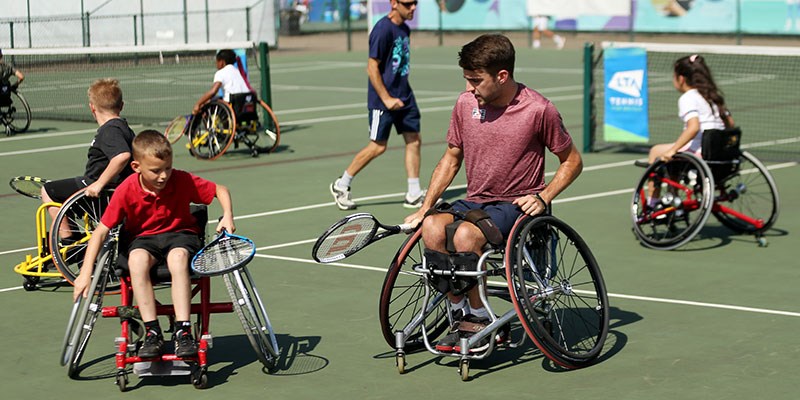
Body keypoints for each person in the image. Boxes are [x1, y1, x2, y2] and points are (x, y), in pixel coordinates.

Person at [404, 33, 583, 353]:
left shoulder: (539, 109)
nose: (469, 87)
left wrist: (543, 196)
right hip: (476, 200)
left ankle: (480, 317)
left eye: (476, 80)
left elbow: (572, 161)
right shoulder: (464, 104)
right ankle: (460, 310)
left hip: (517, 203)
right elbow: (451, 157)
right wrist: (425, 207)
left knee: (465, 237)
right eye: (467, 79)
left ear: (502, 76)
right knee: (431, 228)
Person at [73, 130, 235, 358]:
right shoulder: (127, 190)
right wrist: (85, 273)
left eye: (167, 168)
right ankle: (152, 331)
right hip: (143, 239)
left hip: (180, 234)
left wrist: (228, 215)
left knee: (177, 259)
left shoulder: (181, 179)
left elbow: (221, 190)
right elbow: (100, 232)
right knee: (136, 260)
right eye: (156, 171)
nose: (163, 176)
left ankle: (183, 330)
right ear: (136, 167)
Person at [329, 0, 426, 210]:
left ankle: (414, 192)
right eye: (408, 4)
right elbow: (372, 68)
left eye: (415, 3)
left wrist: (400, 96)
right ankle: (342, 184)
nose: (413, 8)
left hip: (404, 96)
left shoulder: (404, 29)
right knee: (378, 147)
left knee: (414, 140)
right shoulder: (382, 29)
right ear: (393, 3)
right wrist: (387, 99)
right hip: (383, 101)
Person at [41, 78, 135, 239]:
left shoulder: (110, 130)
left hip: (102, 191)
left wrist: (99, 183)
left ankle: (68, 240)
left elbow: (122, 156)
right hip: (111, 190)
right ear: (121, 105)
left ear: (92, 107)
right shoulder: (124, 128)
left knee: (49, 190)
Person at [647, 54, 733, 165]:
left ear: (681, 79)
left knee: (655, 151)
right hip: (719, 151)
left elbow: (693, 128)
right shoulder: (712, 96)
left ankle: (652, 183)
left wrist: (673, 150)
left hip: (699, 151)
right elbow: (730, 124)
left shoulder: (688, 98)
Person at [193, 49, 251, 115]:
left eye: (217, 61)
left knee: (205, 106)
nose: (216, 64)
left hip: (231, 106)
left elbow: (213, 92)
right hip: (246, 103)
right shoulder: (239, 72)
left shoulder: (220, 73)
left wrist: (198, 104)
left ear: (221, 62)